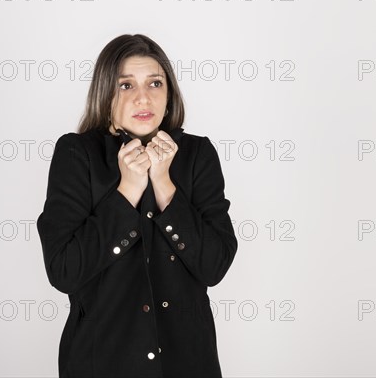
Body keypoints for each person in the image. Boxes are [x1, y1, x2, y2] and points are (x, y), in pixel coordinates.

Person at [36, 34, 238, 378]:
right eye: (126, 85)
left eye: (154, 83)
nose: (143, 97)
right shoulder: (76, 154)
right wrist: (128, 190)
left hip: (187, 364)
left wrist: (164, 184)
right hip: (101, 363)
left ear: (169, 95)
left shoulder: (197, 155)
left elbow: (214, 266)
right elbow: (64, 271)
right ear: (106, 96)